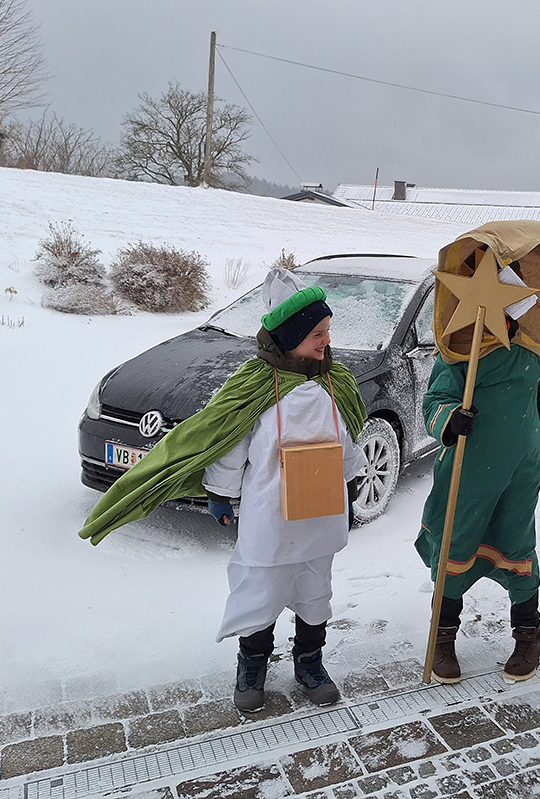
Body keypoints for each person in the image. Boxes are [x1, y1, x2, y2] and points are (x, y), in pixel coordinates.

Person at [79, 269, 368, 714]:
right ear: (290, 338)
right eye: (317, 333)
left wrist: (350, 476)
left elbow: (346, 438)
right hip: (270, 519)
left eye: (328, 331)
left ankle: (310, 662)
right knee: (260, 593)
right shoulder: (255, 386)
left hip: (320, 517)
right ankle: (251, 665)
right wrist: (219, 494)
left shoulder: (335, 383)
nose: (327, 341)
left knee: (315, 593)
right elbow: (229, 445)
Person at [415, 313, 540, 684]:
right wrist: (450, 418)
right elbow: (435, 399)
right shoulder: (458, 354)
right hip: (467, 476)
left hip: (519, 477)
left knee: (517, 549)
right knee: (455, 549)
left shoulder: (530, 356)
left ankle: (528, 638)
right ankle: (442, 639)